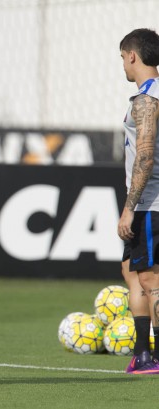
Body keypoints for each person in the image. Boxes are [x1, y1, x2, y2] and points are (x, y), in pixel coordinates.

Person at [118, 27, 159, 374]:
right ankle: (143, 353)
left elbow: (144, 157)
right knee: (133, 274)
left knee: (149, 281)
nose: (123, 65)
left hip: (151, 202)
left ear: (132, 55)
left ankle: (151, 357)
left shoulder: (146, 99)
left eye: (122, 58)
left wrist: (129, 209)